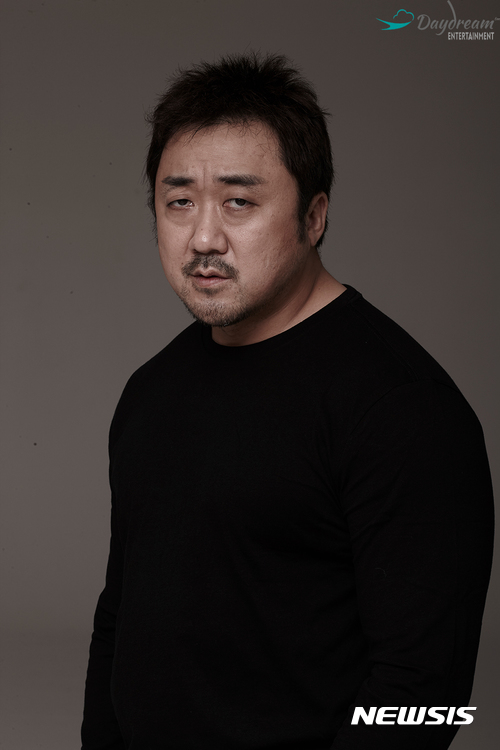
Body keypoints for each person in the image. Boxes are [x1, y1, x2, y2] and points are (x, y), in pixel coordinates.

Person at [81, 53, 494, 749]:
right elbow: (120, 621)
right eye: (179, 202)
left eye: (239, 202)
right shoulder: (151, 390)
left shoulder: (403, 409)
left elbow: (425, 691)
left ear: (314, 216)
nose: (203, 237)